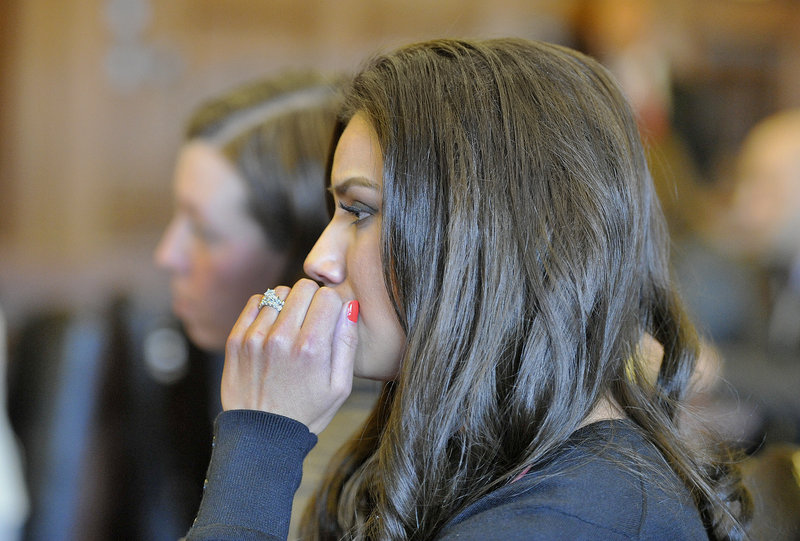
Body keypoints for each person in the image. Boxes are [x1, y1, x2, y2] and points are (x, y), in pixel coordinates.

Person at [185, 38, 750, 540]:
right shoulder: (485, 459)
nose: (318, 259)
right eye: (337, 209)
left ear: (491, 235)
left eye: (360, 211)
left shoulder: (573, 519)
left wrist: (261, 438)